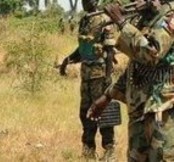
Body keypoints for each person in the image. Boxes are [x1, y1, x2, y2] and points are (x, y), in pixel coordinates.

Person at [87, 1, 174, 161]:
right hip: (140, 109)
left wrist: (122, 23)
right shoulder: (144, 20)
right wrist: (108, 96)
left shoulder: (170, 17)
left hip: (163, 111)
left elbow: (151, 54)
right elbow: (135, 66)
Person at [59, 0, 117, 161]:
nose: (85, 3)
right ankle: (88, 150)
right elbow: (83, 48)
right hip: (86, 76)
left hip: (100, 76)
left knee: (104, 113)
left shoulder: (105, 19)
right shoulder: (85, 20)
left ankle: (109, 150)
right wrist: (67, 60)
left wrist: (107, 78)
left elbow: (110, 50)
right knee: (85, 113)